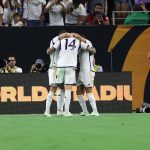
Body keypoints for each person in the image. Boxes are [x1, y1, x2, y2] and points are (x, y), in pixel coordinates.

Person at [47, 33, 96, 116]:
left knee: (60, 88)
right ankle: (70, 111)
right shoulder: (78, 42)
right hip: (72, 68)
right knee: (71, 90)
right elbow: (93, 51)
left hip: (62, 67)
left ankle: (94, 111)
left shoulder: (61, 41)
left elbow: (48, 51)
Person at [76, 39, 99, 116]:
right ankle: (85, 111)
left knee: (88, 90)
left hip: (88, 71)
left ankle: (95, 111)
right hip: (82, 72)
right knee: (79, 90)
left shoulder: (86, 43)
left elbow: (93, 52)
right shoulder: (80, 48)